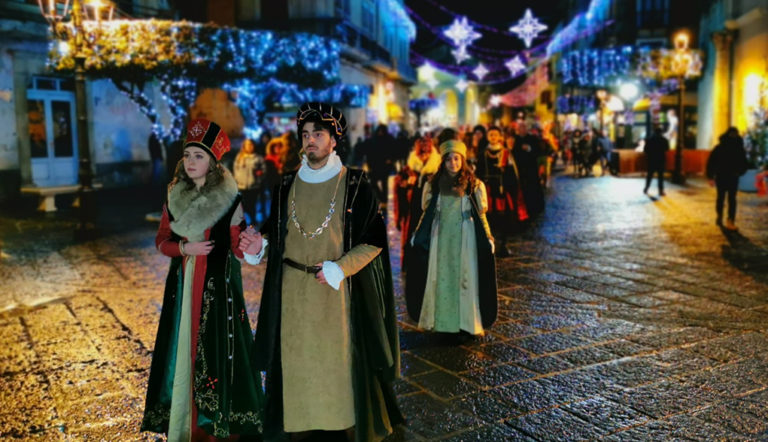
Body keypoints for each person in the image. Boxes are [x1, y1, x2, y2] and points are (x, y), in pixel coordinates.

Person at [239, 102, 403, 441]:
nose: (310, 140)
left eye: (318, 134)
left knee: (336, 361)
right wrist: (259, 248)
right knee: (295, 358)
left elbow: (373, 241)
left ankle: (339, 423)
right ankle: (299, 425)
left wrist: (340, 269)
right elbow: (275, 233)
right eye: (305, 134)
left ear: (333, 140)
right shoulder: (285, 185)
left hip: (335, 290)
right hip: (291, 290)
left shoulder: (356, 183)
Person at [141, 119, 265, 440]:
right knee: (184, 352)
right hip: (182, 290)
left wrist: (253, 248)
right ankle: (186, 421)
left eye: (199, 156)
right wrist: (186, 247)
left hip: (218, 293)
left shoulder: (230, 200)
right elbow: (161, 241)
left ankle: (215, 424)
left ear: (212, 161)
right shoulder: (174, 196)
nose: (191, 162)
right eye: (188, 155)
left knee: (214, 354)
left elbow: (239, 248)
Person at [405, 139, 498, 337]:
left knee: (465, 277)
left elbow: (481, 214)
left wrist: (488, 236)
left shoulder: (474, 184)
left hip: (466, 237)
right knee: (441, 277)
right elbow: (427, 212)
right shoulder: (434, 184)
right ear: (443, 162)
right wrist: (418, 233)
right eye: (448, 160)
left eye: (456, 159)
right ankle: (442, 323)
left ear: (462, 160)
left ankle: (466, 322)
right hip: (441, 237)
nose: (453, 163)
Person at [476, 126, 524, 256]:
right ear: (487, 137)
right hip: (487, 190)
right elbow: (478, 172)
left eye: (496, 135)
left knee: (504, 218)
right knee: (488, 218)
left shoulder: (505, 153)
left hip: (502, 190)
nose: (493, 137)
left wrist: (509, 186)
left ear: (500, 137)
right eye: (491, 135)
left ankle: (503, 244)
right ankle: (488, 244)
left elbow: (512, 174)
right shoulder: (482, 153)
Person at [706, 127, 748, 230]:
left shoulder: (736, 148)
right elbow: (712, 162)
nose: (733, 136)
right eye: (732, 134)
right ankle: (722, 217)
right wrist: (710, 176)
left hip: (729, 176)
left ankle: (729, 219)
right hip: (724, 175)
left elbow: (744, 163)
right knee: (723, 198)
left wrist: (740, 172)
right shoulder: (722, 147)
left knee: (730, 199)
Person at [233, 138, 267, 226]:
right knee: (243, 206)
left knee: (252, 205)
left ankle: (253, 221)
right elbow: (236, 170)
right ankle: (245, 220)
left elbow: (263, 170)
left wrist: (258, 178)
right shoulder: (240, 157)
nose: (249, 147)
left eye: (251, 145)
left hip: (253, 186)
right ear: (244, 146)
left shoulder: (258, 158)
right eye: (247, 145)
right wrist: (237, 181)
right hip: (241, 186)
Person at [643, 125, 670, 196]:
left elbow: (645, 150)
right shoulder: (664, 140)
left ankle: (646, 188)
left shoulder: (649, 140)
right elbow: (667, 149)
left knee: (649, 175)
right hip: (661, 160)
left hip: (651, 160)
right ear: (661, 132)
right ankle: (660, 191)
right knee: (661, 176)